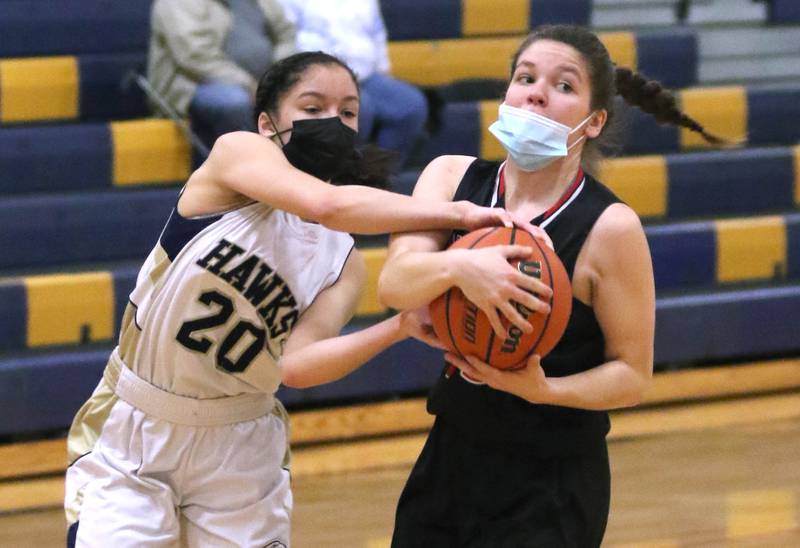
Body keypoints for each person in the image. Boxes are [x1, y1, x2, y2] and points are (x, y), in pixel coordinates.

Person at [64, 51, 538, 547]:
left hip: (240, 443)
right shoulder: (235, 155)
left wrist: (397, 328)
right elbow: (326, 203)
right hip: (135, 422)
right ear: (268, 123)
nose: (333, 122)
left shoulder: (343, 261)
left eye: (348, 111)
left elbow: (298, 366)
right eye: (313, 108)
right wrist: (455, 213)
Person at [379, 24, 722, 547]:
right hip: (450, 458)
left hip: (551, 483)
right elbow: (395, 285)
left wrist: (545, 390)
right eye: (525, 77)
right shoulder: (451, 179)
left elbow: (632, 374)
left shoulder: (610, 227)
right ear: (507, 95)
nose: (537, 90)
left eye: (564, 85)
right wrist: (462, 269)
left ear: (593, 121)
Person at [280, 0, 428, 169]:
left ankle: (381, 173)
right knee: (360, 108)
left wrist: (384, 70)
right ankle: (342, 176)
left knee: (410, 105)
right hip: (318, 78)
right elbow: (285, 38)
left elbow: (377, 33)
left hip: (367, 75)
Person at [147, 0, 297, 150]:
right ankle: (242, 166)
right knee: (234, 102)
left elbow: (286, 34)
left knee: (308, 94)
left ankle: (291, 166)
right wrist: (248, 84)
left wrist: (277, 75)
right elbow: (195, 56)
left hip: (263, 80)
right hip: (194, 84)